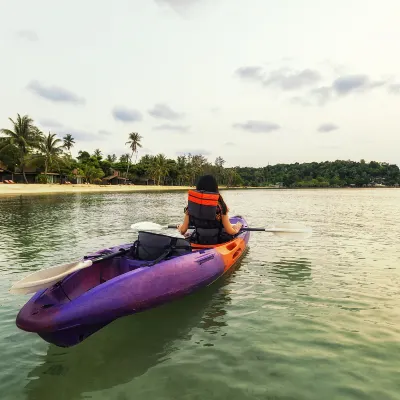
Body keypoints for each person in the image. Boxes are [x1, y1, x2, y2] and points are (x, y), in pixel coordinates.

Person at [177, 174, 242, 244]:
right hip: (218, 242)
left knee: (190, 233)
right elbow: (230, 231)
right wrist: (236, 229)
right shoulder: (221, 206)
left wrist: (180, 228)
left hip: (199, 241)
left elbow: (183, 230)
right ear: (215, 188)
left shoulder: (191, 207)